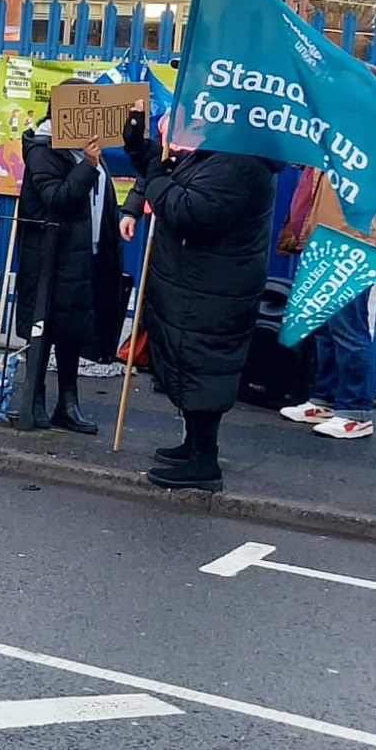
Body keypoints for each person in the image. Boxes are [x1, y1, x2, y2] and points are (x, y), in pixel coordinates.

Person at [125, 111, 278, 492]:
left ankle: (204, 462)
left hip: (213, 288)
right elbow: (174, 172)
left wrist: (156, 180)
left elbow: (190, 212)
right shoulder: (223, 153)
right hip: (199, 285)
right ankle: (193, 446)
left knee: (204, 367)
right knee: (189, 363)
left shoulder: (238, 163)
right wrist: (138, 146)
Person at [13, 80, 125, 435]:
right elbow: (57, 198)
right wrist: (88, 166)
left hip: (84, 257)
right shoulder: (43, 149)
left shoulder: (88, 151)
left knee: (72, 333)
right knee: (43, 328)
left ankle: (68, 402)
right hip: (50, 259)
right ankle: (34, 400)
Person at [276, 164, 376, 439]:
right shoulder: (335, 144)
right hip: (330, 240)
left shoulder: (373, 146)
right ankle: (326, 399)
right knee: (326, 330)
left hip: (353, 244)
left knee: (348, 331)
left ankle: (356, 412)